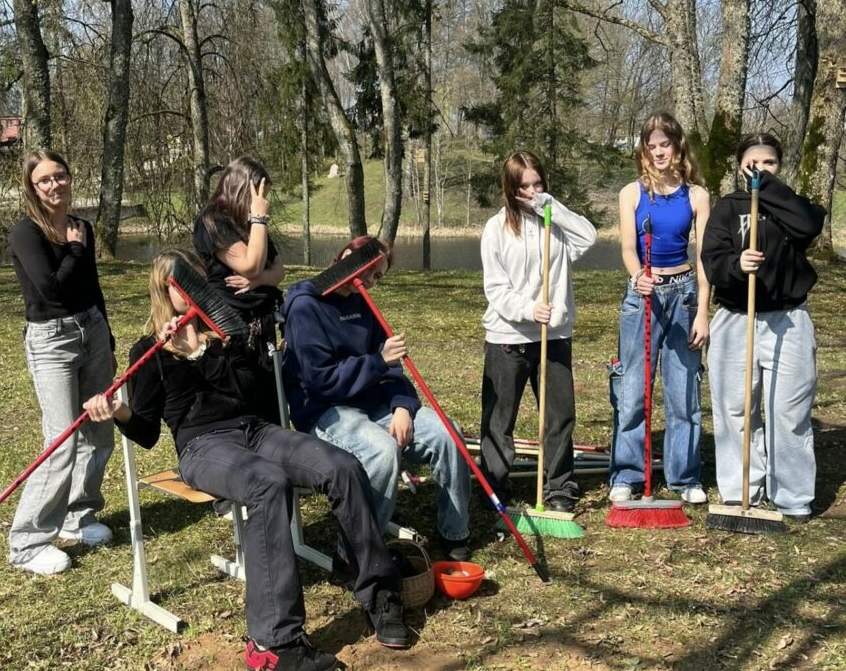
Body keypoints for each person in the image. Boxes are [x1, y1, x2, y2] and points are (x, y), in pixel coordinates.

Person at [83, 249, 409, 671]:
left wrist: (203, 352)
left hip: (256, 431)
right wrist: (116, 411)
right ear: (162, 290)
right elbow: (146, 431)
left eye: (193, 282)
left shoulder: (229, 337)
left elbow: (253, 394)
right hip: (202, 448)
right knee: (268, 483)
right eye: (176, 284)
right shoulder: (148, 350)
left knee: (342, 465)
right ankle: (272, 644)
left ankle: (379, 592)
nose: (185, 292)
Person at [281, 236, 472, 561]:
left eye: (377, 277)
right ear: (345, 257)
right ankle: (357, 554)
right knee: (382, 452)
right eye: (368, 271)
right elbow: (322, 381)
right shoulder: (305, 306)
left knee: (448, 434)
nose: (369, 282)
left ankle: (454, 532)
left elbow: (392, 369)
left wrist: (401, 405)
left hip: (376, 405)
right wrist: (377, 361)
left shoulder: (364, 304)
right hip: (327, 411)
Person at [701, 134, 825, 519]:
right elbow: (711, 258)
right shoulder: (728, 207)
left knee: (787, 410)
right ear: (740, 166)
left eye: (769, 162)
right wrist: (739, 266)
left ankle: (792, 495)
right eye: (752, 162)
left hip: (788, 319)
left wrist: (767, 186)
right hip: (738, 318)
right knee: (735, 410)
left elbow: (807, 227)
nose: (760, 168)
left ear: (778, 167)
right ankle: (741, 491)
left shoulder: (793, 206)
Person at [7, 150, 115, 575]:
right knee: (61, 440)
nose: (55, 185)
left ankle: (79, 516)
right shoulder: (26, 233)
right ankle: (29, 542)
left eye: (61, 176)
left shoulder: (82, 226)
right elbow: (52, 291)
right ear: (32, 188)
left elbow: (90, 287)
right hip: (51, 340)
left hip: (91, 331)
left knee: (99, 431)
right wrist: (72, 248)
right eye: (45, 180)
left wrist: (107, 337)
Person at [479, 151, 597, 511]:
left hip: (554, 335)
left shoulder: (556, 225)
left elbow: (589, 237)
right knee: (500, 418)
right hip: (508, 337)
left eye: (537, 184)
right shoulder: (495, 229)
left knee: (559, 415)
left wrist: (554, 208)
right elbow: (496, 288)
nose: (532, 193)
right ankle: (495, 486)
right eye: (523, 187)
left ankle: (559, 486)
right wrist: (529, 309)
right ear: (510, 189)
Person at [608, 112, 711, 505]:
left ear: (677, 145)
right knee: (633, 390)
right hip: (642, 298)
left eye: (663, 144)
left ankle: (685, 477)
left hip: (683, 293)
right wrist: (638, 277)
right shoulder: (631, 194)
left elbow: (704, 257)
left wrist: (703, 309)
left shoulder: (697, 195)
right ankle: (628, 474)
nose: (657, 152)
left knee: (684, 393)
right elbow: (628, 249)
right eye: (650, 146)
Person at [193, 157, 284, 423]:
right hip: (231, 324)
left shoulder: (252, 225)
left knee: (271, 398)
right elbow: (251, 265)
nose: (264, 202)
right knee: (244, 396)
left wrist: (260, 281)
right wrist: (258, 218)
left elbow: (278, 270)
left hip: (261, 321)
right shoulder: (212, 221)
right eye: (260, 195)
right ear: (244, 189)